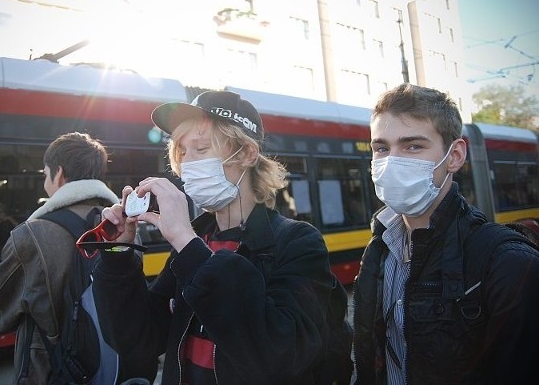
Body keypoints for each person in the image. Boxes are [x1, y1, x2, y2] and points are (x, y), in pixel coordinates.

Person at [93, 91, 349, 384]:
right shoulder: (195, 241)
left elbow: (280, 355)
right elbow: (139, 342)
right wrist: (119, 255)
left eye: (201, 149)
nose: (188, 164)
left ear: (246, 154)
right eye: (182, 152)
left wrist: (187, 243)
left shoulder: (297, 242)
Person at [352, 83, 539, 384]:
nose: (392, 162)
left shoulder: (507, 264)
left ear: (454, 156)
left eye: (413, 145)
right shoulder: (378, 249)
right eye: (382, 148)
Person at [0, 132, 121, 384]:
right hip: (114, 367)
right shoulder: (123, 227)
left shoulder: (32, 235)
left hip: (50, 371)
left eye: (45, 174)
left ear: (59, 173)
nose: (45, 181)